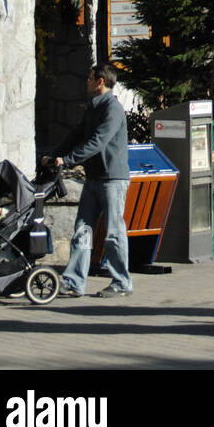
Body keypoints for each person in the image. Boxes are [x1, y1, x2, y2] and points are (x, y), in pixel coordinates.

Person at [43, 64, 132, 299]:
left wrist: (69, 160)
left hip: (112, 178)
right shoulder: (93, 108)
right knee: (82, 229)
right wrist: (55, 155)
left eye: (90, 79)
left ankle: (121, 282)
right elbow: (77, 134)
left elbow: (97, 142)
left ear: (100, 81)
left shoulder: (112, 109)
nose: (87, 82)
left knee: (114, 232)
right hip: (93, 178)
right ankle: (74, 283)